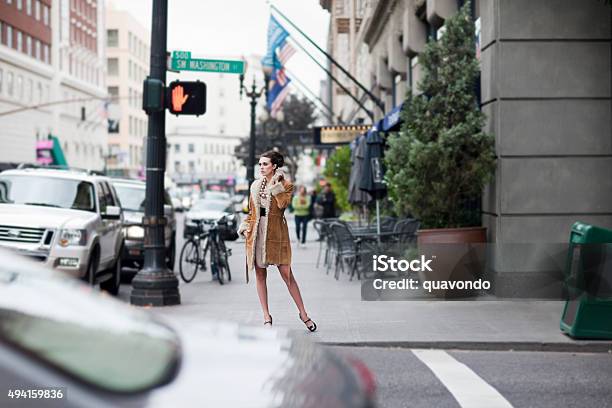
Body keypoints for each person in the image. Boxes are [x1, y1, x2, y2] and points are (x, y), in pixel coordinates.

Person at [238, 151, 317, 332]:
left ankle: (303, 314)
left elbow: (283, 205)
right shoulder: (255, 186)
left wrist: (275, 186)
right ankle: (266, 316)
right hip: (258, 232)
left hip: (276, 234)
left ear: (274, 166)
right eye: (260, 164)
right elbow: (252, 212)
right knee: (260, 275)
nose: (261, 167)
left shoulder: (286, 185)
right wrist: (245, 226)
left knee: (287, 275)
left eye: (265, 164)